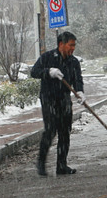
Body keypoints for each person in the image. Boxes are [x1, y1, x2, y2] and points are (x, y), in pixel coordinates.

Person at [30, 30, 85, 176]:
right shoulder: (47, 57)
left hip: (64, 99)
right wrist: (48, 72)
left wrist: (80, 92)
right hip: (49, 99)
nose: (73, 48)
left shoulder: (74, 62)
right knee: (50, 130)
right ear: (61, 44)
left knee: (65, 132)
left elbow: (78, 79)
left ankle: (61, 165)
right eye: (70, 45)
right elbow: (34, 72)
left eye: (74, 45)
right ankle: (41, 164)